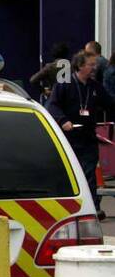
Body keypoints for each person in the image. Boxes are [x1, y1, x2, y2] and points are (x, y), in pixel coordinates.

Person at [46, 50, 114, 207]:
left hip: (88, 137)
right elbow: (53, 105)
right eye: (91, 64)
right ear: (80, 66)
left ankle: (92, 206)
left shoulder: (94, 87)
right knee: (69, 173)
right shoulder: (65, 85)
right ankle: (68, 204)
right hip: (69, 138)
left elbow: (110, 104)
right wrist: (63, 121)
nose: (94, 67)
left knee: (89, 173)